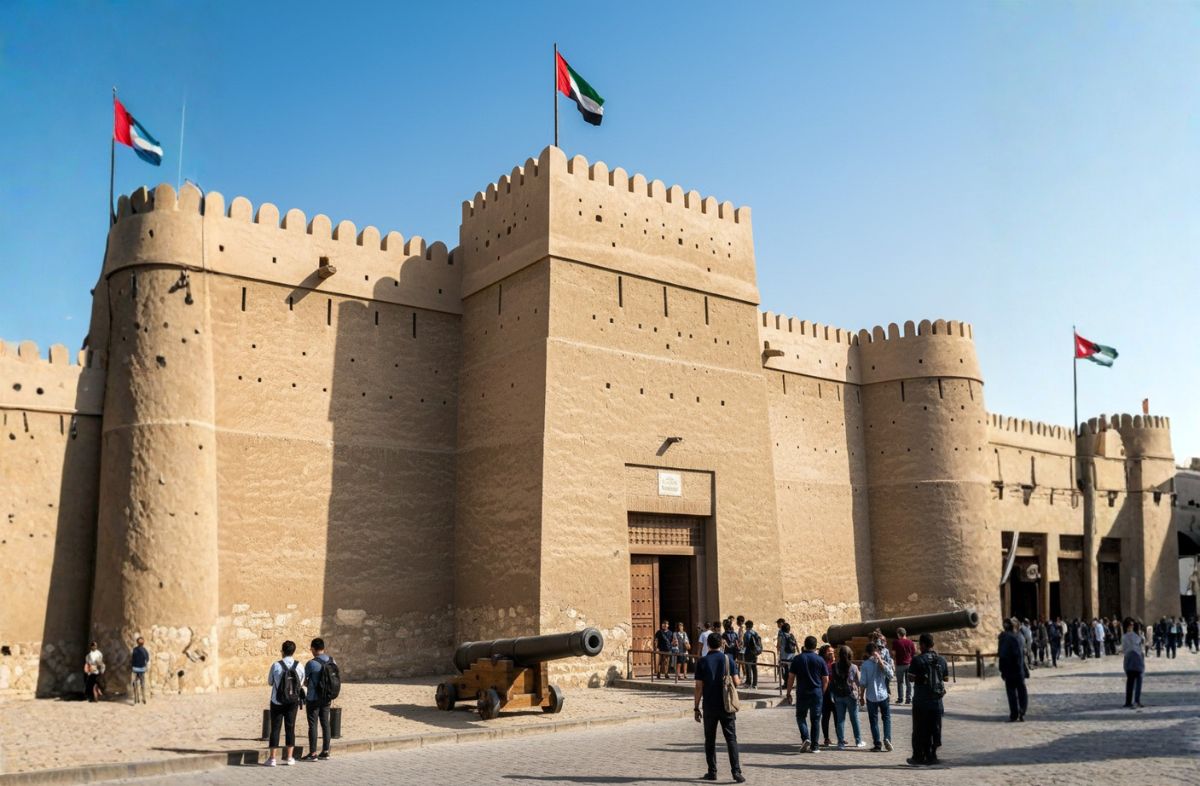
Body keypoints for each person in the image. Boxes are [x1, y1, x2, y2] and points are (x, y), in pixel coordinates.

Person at [693, 632, 744, 783]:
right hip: (726, 705)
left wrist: (696, 707)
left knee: (710, 740)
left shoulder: (702, 662)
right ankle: (736, 772)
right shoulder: (728, 659)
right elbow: (736, 682)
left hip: (709, 705)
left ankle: (712, 771)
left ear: (708, 644)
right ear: (722, 643)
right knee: (731, 739)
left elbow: (698, 687)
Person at [907, 633, 948, 766]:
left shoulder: (917, 660)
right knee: (935, 728)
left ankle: (918, 756)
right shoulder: (941, 660)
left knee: (919, 729)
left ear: (923, 645)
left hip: (921, 701)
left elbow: (911, 678)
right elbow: (945, 678)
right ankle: (932, 755)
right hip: (937, 701)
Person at [785, 635, 828, 753]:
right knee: (815, 719)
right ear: (815, 647)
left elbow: (791, 678)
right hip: (816, 692)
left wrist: (788, 692)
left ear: (805, 645)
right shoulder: (820, 660)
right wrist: (822, 692)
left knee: (800, 717)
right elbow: (825, 679)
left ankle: (805, 738)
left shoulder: (797, 659)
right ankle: (815, 746)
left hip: (802, 692)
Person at [266, 640, 305, 767]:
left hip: (277, 701)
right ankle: (289, 757)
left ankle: (272, 759)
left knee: (275, 728)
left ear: (282, 651)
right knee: (290, 727)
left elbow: (270, 682)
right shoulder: (299, 666)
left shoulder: (276, 665)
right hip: (293, 701)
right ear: (293, 651)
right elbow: (301, 683)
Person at [301, 637, 337, 762]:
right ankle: (326, 751)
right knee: (325, 723)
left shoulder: (311, 663)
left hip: (313, 698)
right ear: (323, 648)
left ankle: (313, 753)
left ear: (314, 649)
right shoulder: (332, 661)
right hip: (327, 697)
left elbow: (304, 680)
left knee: (313, 724)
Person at [860, 641, 894, 752]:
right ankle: (887, 738)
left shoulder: (865, 665)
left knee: (873, 721)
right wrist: (880, 660)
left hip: (871, 696)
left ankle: (877, 744)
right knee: (886, 718)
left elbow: (863, 683)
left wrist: (861, 696)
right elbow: (890, 675)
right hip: (883, 694)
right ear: (877, 651)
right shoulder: (883, 662)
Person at [829, 645, 864, 749]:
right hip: (851, 695)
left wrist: (832, 693)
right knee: (854, 719)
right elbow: (859, 682)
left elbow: (832, 681)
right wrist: (862, 695)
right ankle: (858, 741)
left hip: (838, 695)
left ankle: (840, 743)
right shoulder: (853, 667)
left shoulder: (834, 666)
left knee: (840, 720)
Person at [998, 619, 1028, 722]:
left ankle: (1014, 714)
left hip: (1010, 670)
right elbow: (1023, 653)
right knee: (1022, 692)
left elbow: (1002, 655)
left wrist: (1002, 670)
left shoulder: (1005, 638)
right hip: (1019, 669)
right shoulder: (1020, 637)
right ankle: (1022, 711)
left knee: (1011, 693)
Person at [1121, 618, 1145, 709]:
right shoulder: (1135, 636)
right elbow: (1138, 647)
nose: (1132, 626)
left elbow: (1124, 649)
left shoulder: (1124, 636)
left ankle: (1129, 701)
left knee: (1130, 681)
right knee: (1137, 681)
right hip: (1136, 659)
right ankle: (1136, 701)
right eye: (1131, 625)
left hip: (1129, 659)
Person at [818, 644, 836, 746]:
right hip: (825, 693)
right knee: (826, 716)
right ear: (824, 653)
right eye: (830, 652)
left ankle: (840, 736)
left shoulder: (834, 664)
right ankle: (826, 738)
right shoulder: (822, 663)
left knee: (837, 715)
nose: (832, 654)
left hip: (834, 692)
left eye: (833, 652)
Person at [893, 627, 915, 704]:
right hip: (908, 664)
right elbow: (913, 653)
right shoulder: (910, 642)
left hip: (899, 664)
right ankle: (908, 699)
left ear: (899, 634)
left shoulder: (896, 642)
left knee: (900, 683)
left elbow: (894, 653)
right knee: (908, 682)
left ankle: (900, 699)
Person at [777, 622, 797, 689]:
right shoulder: (791, 635)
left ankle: (786, 684)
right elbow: (795, 644)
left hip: (784, 656)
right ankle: (791, 684)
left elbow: (779, 645)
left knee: (785, 670)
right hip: (792, 656)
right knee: (791, 670)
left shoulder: (781, 636)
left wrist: (778, 651)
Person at [129, 637, 150, 705]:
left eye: (142, 641)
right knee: (135, 684)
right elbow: (132, 658)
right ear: (137, 642)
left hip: (142, 669)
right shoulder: (135, 649)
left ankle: (143, 698)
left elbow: (147, 659)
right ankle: (136, 698)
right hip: (135, 669)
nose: (141, 642)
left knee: (142, 684)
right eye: (140, 641)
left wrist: (145, 666)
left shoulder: (144, 650)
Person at [741, 621, 761, 688]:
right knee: (754, 668)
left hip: (748, 652)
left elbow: (745, 644)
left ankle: (748, 682)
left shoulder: (747, 634)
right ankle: (755, 684)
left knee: (748, 667)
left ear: (747, 626)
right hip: (755, 652)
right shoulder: (755, 633)